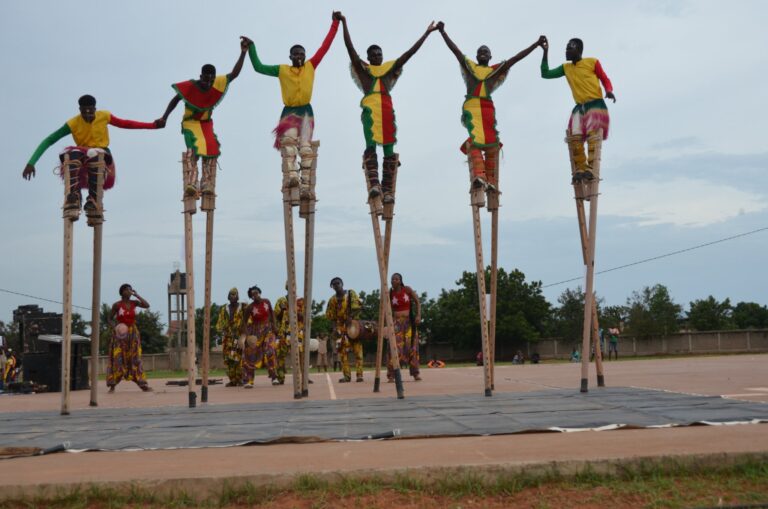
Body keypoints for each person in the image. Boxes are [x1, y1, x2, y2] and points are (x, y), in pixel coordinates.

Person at [339, 14, 438, 205]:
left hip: (386, 112)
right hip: (370, 112)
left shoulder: (389, 69)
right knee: (370, 147)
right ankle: (374, 185)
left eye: (380, 54)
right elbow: (349, 48)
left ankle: (387, 190)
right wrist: (344, 22)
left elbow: (409, 54)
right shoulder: (364, 70)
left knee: (389, 150)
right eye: (374, 54)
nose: (377, 56)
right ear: (368, 57)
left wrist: (426, 34)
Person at [437, 23, 545, 192]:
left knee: (492, 143)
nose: (482, 53)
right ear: (476, 55)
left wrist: (535, 45)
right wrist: (443, 32)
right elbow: (455, 51)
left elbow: (516, 59)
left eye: (486, 51)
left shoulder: (495, 70)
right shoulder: (470, 67)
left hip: (487, 109)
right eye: (480, 51)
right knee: (475, 140)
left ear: (490, 56)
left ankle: (491, 181)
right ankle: (479, 176)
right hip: (472, 107)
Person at [245, 12, 341, 198]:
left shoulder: (311, 66)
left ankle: (306, 185)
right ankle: (292, 177)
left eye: (302, 53)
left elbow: (325, 46)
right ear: (290, 56)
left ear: (305, 56)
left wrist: (335, 23)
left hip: (306, 111)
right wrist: (252, 48)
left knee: (305, 148)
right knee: (288, 145)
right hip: (289, 113)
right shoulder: (282, 70)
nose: (299, 56)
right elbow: (258, 67)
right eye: (296, 53)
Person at [22, 95, 162, 216]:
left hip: (101, 154)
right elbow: (50, 140)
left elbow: (127, 124)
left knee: (95, 154)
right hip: (82, 156)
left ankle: (93, 199)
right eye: (84, 112)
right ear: (80, 111)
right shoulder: (73, 123)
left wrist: (153, 125)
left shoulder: (104, 116)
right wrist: (31, 162)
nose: (88, 115)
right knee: (72, 153)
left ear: (95, 109)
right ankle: (75, 195)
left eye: (91, 112)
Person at [159, 37, 250, 197]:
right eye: (205, 79)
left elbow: (234, 74)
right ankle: (192, 183)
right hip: (190, 123)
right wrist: (164, 117)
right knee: (192, 150)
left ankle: (207, 183)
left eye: (211, 80)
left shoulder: (217, 83)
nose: (208, 83)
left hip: (206, 124)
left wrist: (243, 52)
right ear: (200, 76)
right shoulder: (190, 86)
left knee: (210, 150)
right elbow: (175, 99)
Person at [540, 36, 615, 183]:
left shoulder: (592, 62)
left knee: (594, 138)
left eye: (570, 47)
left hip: (595, 105)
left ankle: (591, 169)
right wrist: (545, 52)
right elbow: (545, 74)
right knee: (575, 137)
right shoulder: (566, 68)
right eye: (566, 48)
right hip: (579, 108)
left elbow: (605, 78)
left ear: (579, 50)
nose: (566, 50)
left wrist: (609, 90)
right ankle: (581, 168)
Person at [107, 284, 151, 392]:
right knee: (118, 358)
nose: (130, 291)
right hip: (120, 334)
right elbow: (109, 318)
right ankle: (113, 385)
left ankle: (142, 384)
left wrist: (137, 295)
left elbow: (147, 305)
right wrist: (116, 327)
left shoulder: (134, 303)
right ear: (122, 292)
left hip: (133, 333)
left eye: (131, 289)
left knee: (135, 358)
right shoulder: (117, 305)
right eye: (127, 290)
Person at [325, 277, 363, 382]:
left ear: (342, 283)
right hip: (340, 328)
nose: (336, 285)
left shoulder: (351, 294)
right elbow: (331, 316)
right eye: (333, 284)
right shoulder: (332, 300)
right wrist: (334, 328)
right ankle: (347, 376)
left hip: (353, 326)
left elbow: (359, 307)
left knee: (357, 351)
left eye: (337, 283)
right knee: (342, 353)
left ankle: (359, 375)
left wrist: (351, 316)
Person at [240, 286, 279, 388]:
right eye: (253, 294)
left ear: (259, 293)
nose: (255, 295)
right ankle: (249, 380)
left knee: (270, 350)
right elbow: (244, 322)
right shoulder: (250, 307)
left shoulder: (267, 301)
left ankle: (274, 377)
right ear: (251, 297)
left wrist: (274, 325)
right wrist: (248, 336)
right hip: (256, 333)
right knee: (250, 355)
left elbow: (272, 313)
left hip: (268, 330)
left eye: (256, 293)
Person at [388, 273, 422, 381]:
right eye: (392, 279)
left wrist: (418, 315)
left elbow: (417, 302)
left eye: (396, 279)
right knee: (393, 346)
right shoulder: (390, 293)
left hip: (408, 323)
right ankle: (391, 374)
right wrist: (387, 323)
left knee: (412, 346)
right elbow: (386, 308)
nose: (394, 280)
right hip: (396, 323)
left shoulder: (407, 289)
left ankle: (415, 373)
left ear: (400, 280)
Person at [274, 289, 310, 385]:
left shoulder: (301, 301)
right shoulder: (281, 301)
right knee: (280, 355)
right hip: (283, 333)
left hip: (297, 332)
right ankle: (280, 378)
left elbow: (305, 317)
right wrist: (282, 310)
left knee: (300, 355)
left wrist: (292, 308)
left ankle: (305, 378)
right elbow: (277, 317)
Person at [215, 288, 244, 386]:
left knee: (239, 359)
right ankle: (232, 380)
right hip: (228, 338)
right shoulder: (224, 309)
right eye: (231, 295)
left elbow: (248, 320)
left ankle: (239, 379)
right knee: (229, 359)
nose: (232, 296)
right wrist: (222, 329)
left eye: (234, 294)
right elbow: (219, 323)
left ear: (237, 296)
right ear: (228, 296)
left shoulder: (243, 307)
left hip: (239, 338)